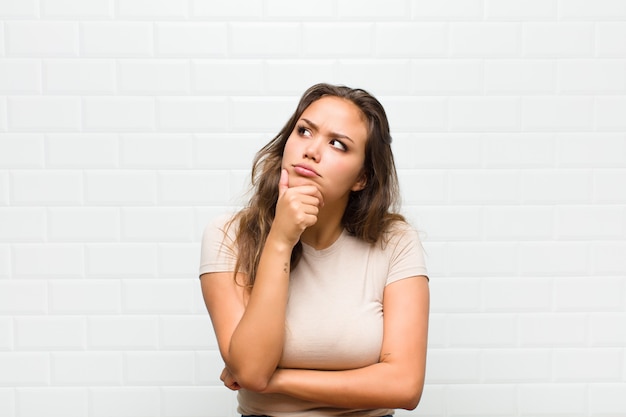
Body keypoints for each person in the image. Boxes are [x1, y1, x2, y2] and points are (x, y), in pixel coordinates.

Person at [199, 83, 429, 417]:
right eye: (304, 131)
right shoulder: (228, 235)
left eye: (338, 144)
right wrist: (280, 240)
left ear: (361, 177)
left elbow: (404, 387)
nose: (312, 151)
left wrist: (275, 382)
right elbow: (250, 369)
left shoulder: (395, 241)